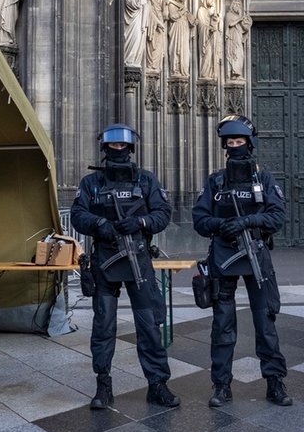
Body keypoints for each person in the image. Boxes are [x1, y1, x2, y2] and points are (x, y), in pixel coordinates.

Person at [69, 125, 180, 409]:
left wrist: (141, 222)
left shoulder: (145, 181)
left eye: (122, 147)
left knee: (149, 326)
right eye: (113, 147)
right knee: (103, 325)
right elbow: (78, 214)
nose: (118, 151)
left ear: (131, 149)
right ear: (104, 149)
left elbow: (163, 213)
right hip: (105, 261)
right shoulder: (91, 183)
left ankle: (157, 384)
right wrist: (100, 224)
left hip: (138, 261)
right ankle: (103, 385)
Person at [192, 115, 292, 407]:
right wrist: (220, 226)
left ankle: (275, 382)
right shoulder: (216, 181)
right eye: (231, 142)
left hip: (256, 256)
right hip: (223, 256)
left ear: (250, 143)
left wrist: (247, 221)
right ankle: (221, 385)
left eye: (240, 141)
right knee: (222, 324)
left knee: (265, 322)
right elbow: (199, 219)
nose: (235, 146)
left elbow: (277, 216)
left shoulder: (264, 178)